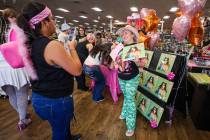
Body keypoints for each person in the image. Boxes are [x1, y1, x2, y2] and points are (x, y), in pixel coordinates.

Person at [17, 1, 82, 140]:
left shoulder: (31, 44)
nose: (55, 22)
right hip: (55, 101)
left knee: (60, 126)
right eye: (52, 18)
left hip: (40, 97)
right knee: (59, 133)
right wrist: (71, 47)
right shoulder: (51, 45)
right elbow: (77, 70)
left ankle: (68, 136)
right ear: (44, 22)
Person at [0, 8, 31, 131]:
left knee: (11, 94)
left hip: (1, 67)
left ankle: (22, 115)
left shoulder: (4, 30)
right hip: (14, 64)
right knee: (21, 92)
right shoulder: (15, 29)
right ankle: (22, 120)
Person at [116, 25, 145, 137]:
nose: (123, 35)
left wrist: (137, 62)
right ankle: (124, 113)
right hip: (121, 76)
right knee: (127, 97)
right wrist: (115, 62)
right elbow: (116, 62)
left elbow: (143, 63)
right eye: (122, 34)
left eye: (126, 33)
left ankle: (130, 126)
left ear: (132, 34)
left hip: (132, 78)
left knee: (130, 100)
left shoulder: (137, 47)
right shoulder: (121, 47)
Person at [75, 26, 89, 91]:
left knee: (83, 71)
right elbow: (77, 42)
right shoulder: (77, 37)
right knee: (79, 71)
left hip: (84, 55)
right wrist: (85, 38)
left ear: (84, 31)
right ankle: (80, 85)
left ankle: (82, 85)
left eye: (82, 30)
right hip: (78, 55)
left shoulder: (87, 37)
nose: (81, 31)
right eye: (80, 30)